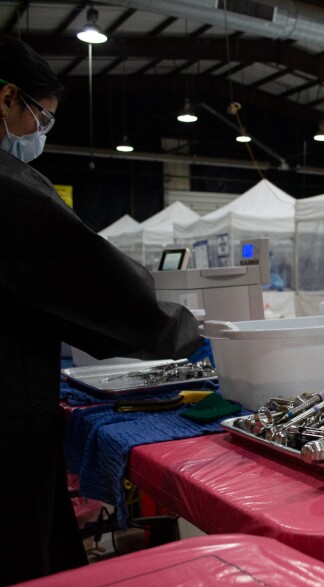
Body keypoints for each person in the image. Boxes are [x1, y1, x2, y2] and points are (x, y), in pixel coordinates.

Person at [0, 35, 202, 584]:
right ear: (7, 99)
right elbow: (99, 287)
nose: (40, 133)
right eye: (41, 118)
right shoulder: (9, 190)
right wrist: (190, 336)